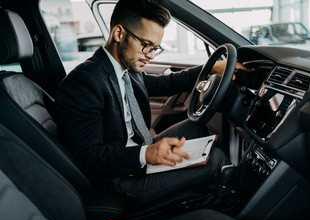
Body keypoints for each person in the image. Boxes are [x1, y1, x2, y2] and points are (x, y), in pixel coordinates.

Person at [55, 0, 249, 208]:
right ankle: (234, 209)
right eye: (146, 45)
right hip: (118, 179)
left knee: (196, 127)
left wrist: (212, 69)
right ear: (119, 34)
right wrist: (146, 154)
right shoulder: (83, 83)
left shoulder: (126, 68)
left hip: (136, 150)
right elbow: (90, 156)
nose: (150, 55)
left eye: (155, 48)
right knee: (217, 161)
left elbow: (166, 83)